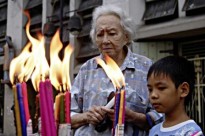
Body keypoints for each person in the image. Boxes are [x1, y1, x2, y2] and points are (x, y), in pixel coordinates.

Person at [70, 4, 163, 136]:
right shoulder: (87, 69)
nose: (105, 40)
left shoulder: (146, 67)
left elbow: (162, 115)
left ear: (126, 36)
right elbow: (65, 116)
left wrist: (133, 117)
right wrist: (87, 116)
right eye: (100, 35)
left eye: (112, 33)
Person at [147, 56, 204, 136]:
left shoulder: (192, 132)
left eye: (161, 88)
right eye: (150, 89)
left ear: (183, 90)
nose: (153, 95)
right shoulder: (153, 131)